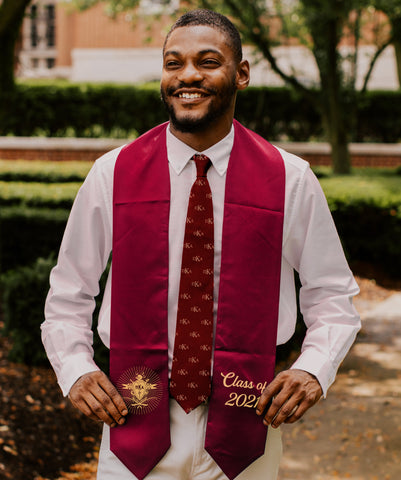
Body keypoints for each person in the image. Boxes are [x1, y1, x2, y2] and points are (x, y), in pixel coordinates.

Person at [42, 9, 360, 480]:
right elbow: (69, 290)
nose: (188, 75)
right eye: (174, 63)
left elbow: (332, 294)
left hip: (245, 423)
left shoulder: (289, 180)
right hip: (135, 418)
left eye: (208, 61)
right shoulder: (112, 174)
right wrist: (75, 369)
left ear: (241, 74)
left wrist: (314, 368)